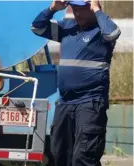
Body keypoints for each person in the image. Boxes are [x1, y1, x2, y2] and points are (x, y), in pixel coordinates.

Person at [31, 0, 121, 165]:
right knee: (59, 155)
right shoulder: (67, 28)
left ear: (92, 7)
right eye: (75, 8)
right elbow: (37, 27)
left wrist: (97, 10)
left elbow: (113, 33)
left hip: (89, 103)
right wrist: (52, 9)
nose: (77, 13)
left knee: (84, 157)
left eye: (82, 8)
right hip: (65, 103)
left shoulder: (101, 29)